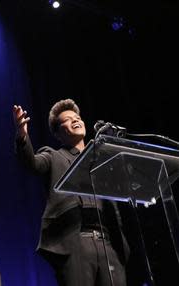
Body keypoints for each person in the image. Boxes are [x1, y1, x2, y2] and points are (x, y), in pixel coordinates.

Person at [13, 99, 129, 286]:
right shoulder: (53, 156)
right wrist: (22, 136)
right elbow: (31, 163)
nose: (75, 120)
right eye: (68, 119)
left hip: (109, 245)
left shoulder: (103, 163)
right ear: (58, 133)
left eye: (77, 117)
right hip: (76, 244)